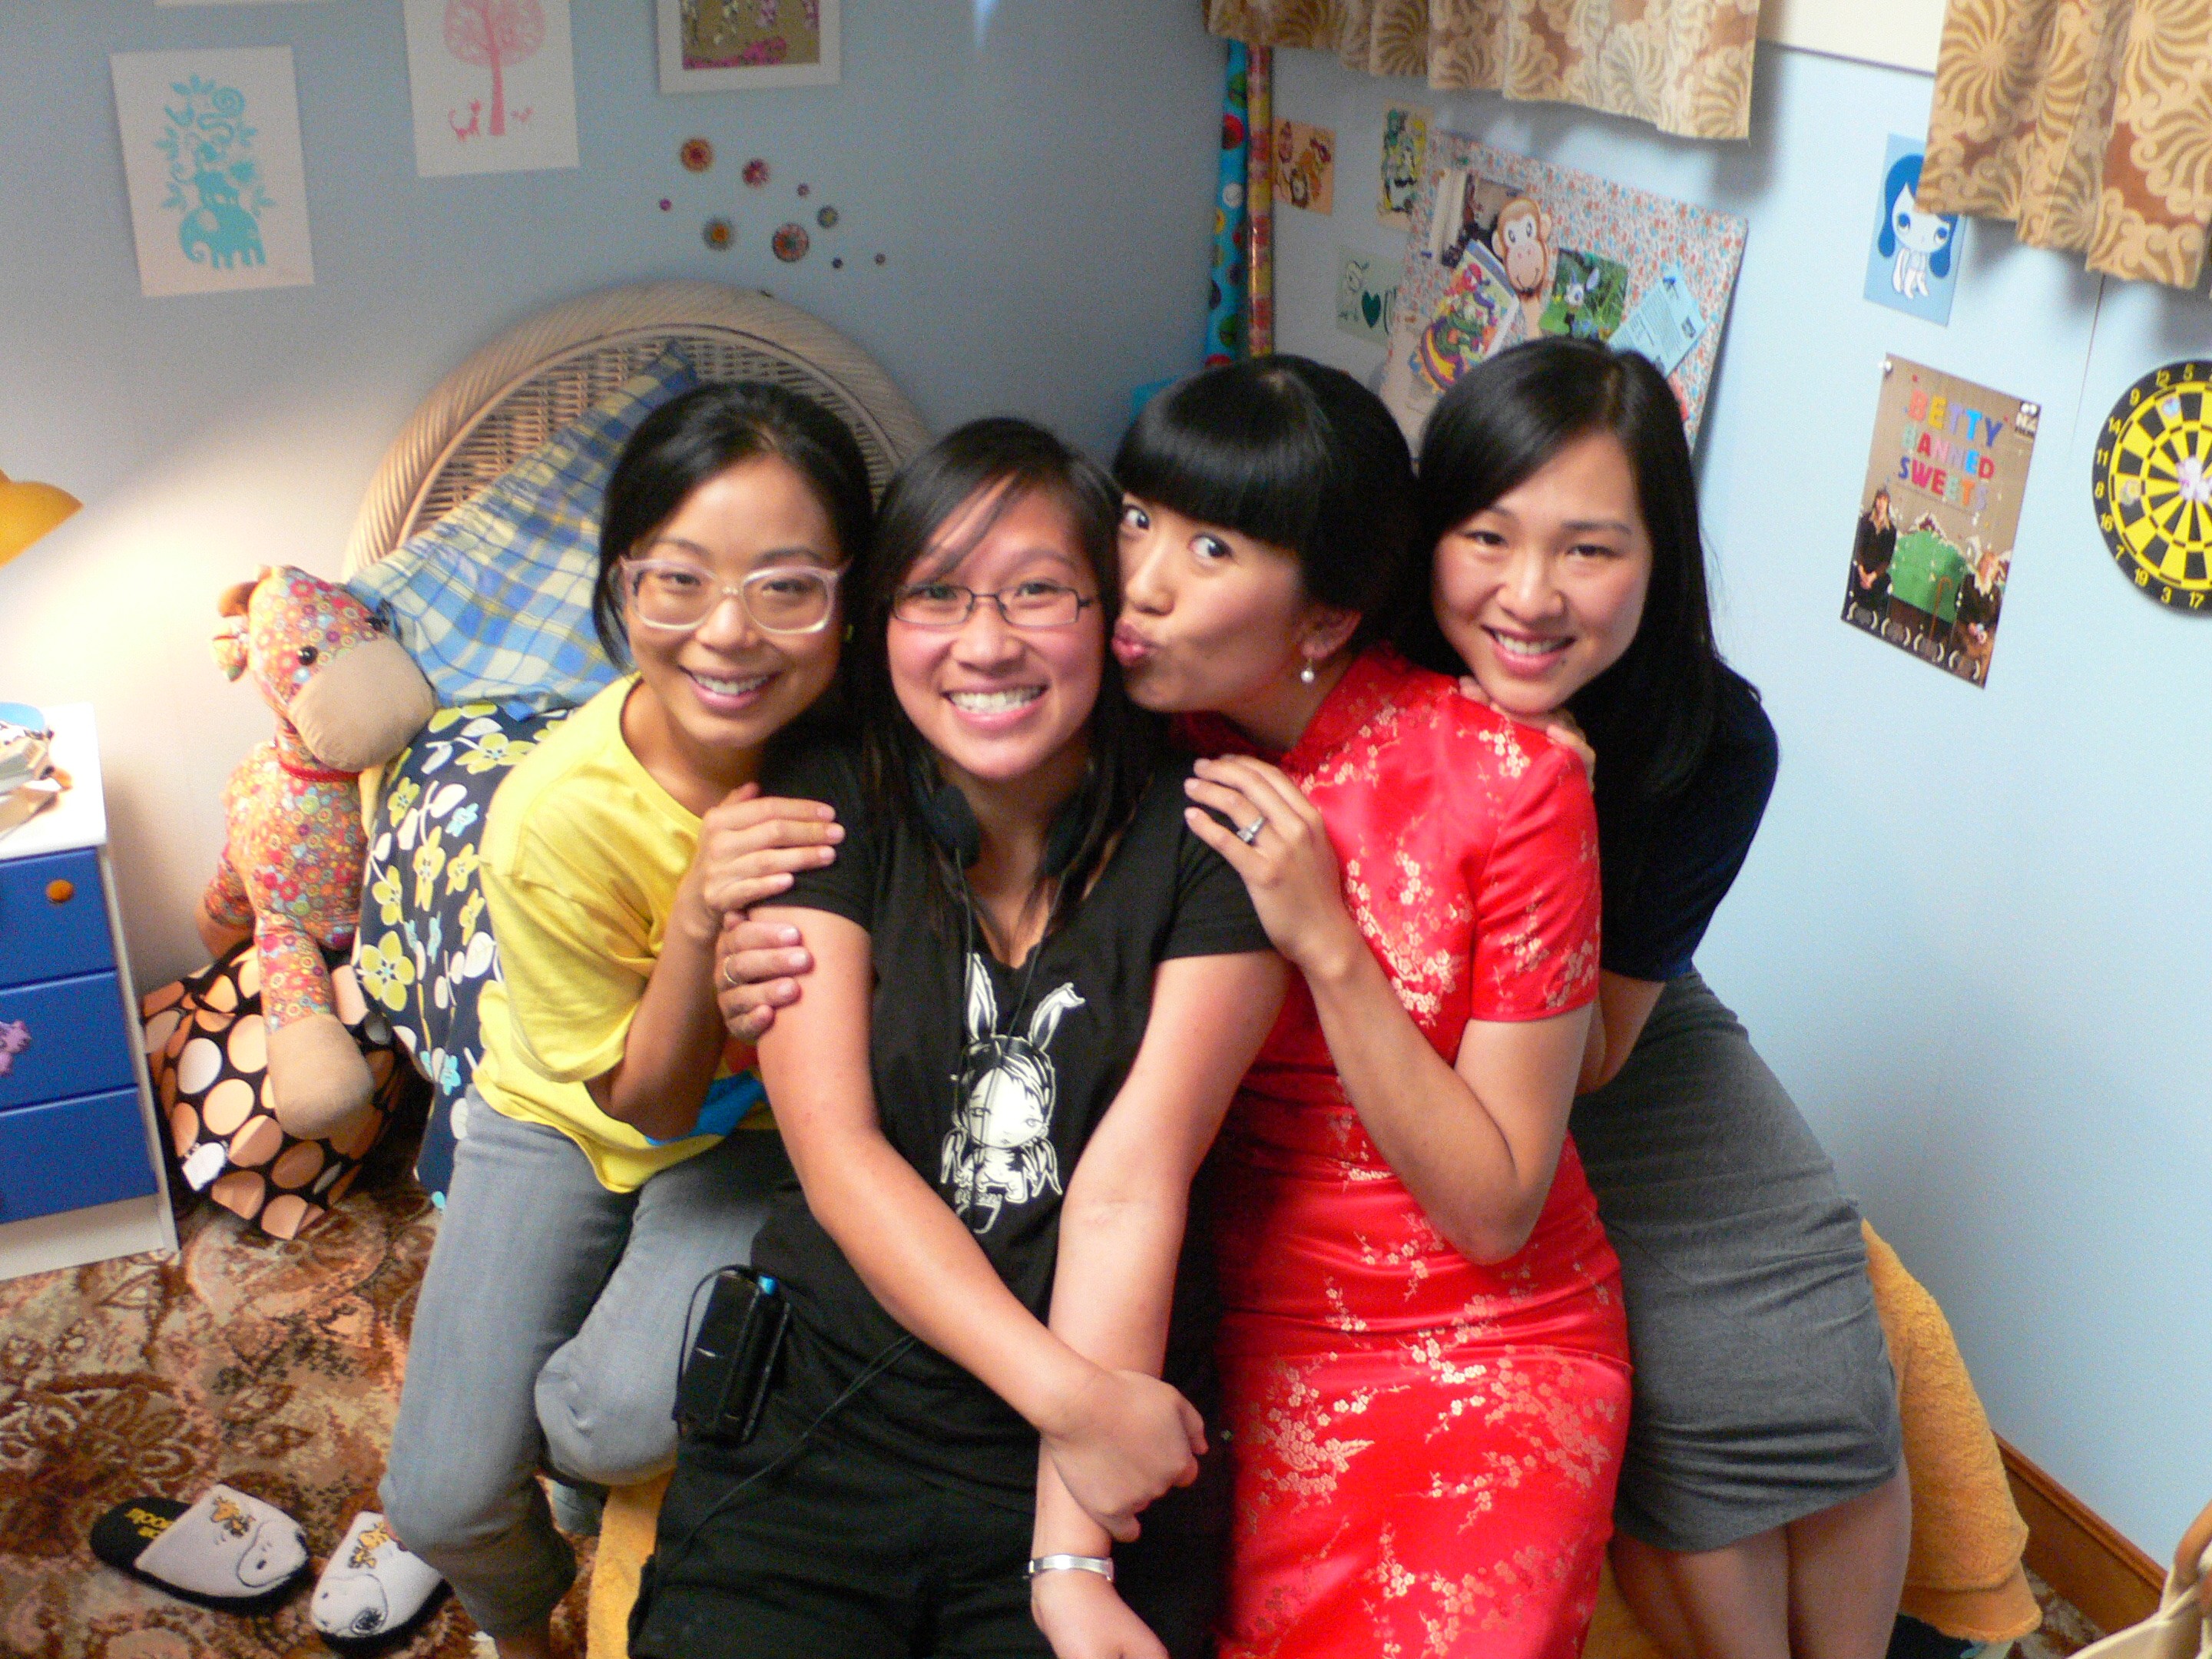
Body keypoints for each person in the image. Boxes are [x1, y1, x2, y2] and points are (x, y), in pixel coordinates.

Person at [718, 360, 1633, 1657]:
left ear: (1325, 616)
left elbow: (1495, 1208)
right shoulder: (1126, 737)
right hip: (1233, 1308)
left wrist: (1332, 949)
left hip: (1469, 1328)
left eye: (1211, 545)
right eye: (1138, 520)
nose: (1142, 578)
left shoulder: (1513, 781)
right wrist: (710, 920)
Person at [628, 418, 1286, 1659]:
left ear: (1109, 613)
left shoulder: (1210, 831)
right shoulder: (830, 792)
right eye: (936, 595)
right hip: (831, 1417)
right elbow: (837, 1154)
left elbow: (1129, 1191)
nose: (986, 644)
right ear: (883, 624)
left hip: (1083, 1449)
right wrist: (1071, 1398)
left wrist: (1068, 1549)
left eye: (1038, 591)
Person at [1402, 338, 1909, 1659]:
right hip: (1414, 1052)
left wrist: (1553, 815)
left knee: (1827, 1358)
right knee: (1681, 1395)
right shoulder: (1366, 671)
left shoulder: (1711, 739)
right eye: (1488, 536)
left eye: (1589, 549)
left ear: (1660, 558)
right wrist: (1500, 792)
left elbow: (1600, 1056)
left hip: (1598, 1043)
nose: (1530, 594)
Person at [378, 381, 874, 1659]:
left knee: (600, 1430)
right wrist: (703, 916)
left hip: (758, 1134)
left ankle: (574, 1489)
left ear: (849, 595)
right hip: (567, 1113)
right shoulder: (558, 812)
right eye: (679, 582)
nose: (731, 634)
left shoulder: (872, 752)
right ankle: (520, 1618)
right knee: (436, 1498)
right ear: (621, 588)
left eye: (785, 585)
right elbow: (641, 1101)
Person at [1848, 487, 1896, 623]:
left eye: (1884, 500)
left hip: (1876, 574)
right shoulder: (1865, 521)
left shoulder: (1891, 530)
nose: (1881, 503)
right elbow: (1859, 548)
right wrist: (1862, 572)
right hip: (1861, 568)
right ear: (1875, 501)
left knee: (1885, 582)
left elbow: (1887, 561)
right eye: (1879, 499)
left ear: (1888, 504)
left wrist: (1871, 577)